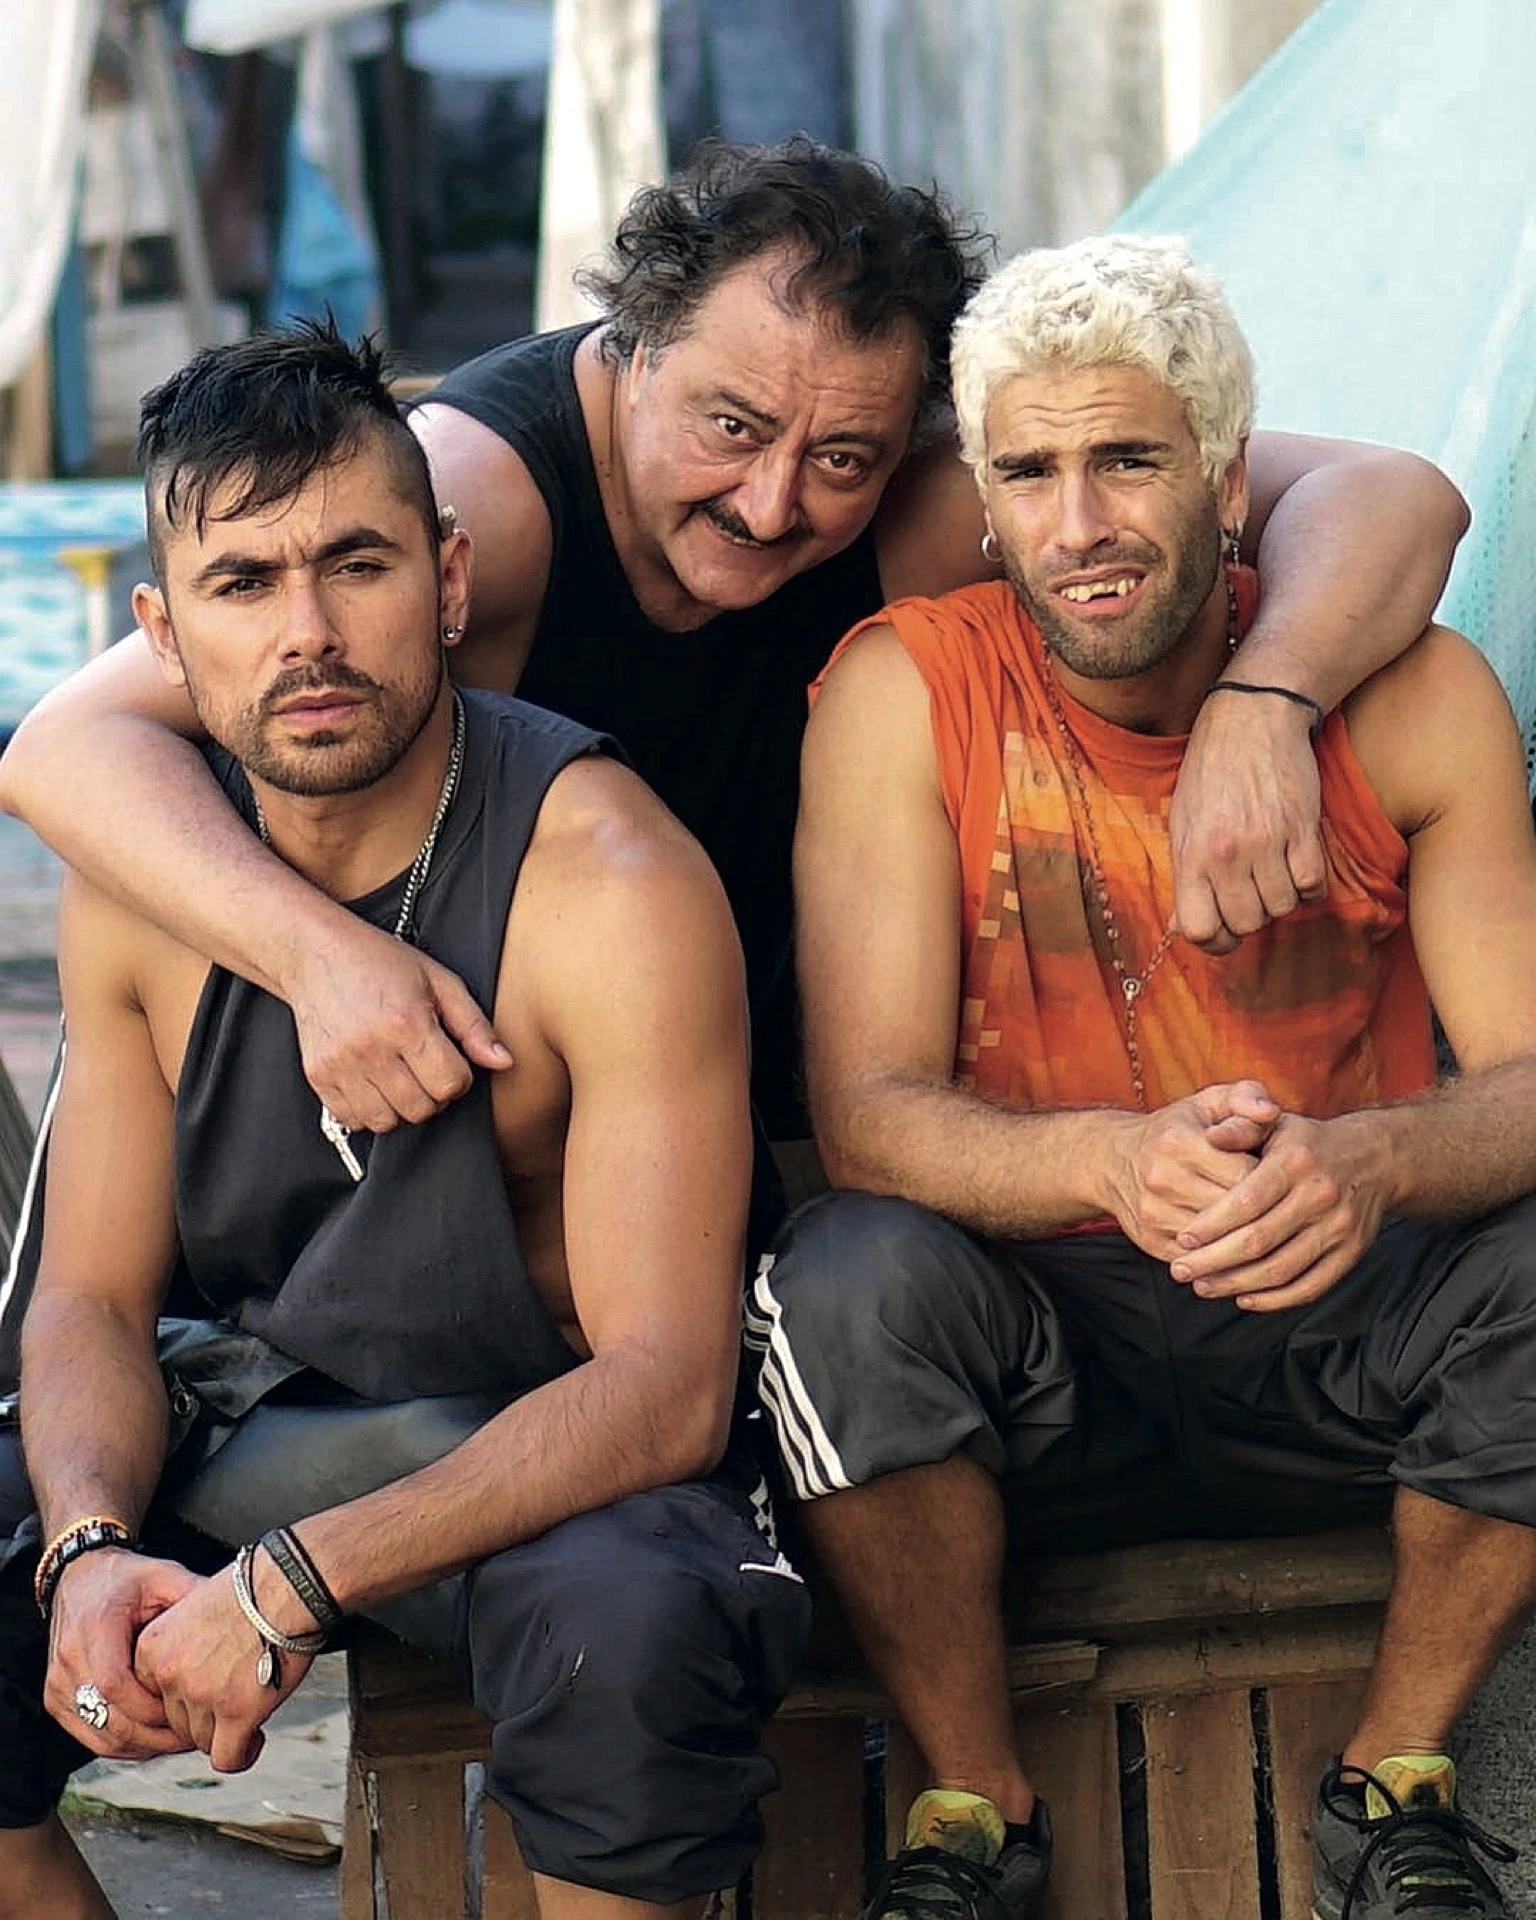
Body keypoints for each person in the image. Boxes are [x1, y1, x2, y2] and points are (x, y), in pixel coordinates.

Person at [0, 141, 1469, 1154]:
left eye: (840, 457)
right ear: (630, 348)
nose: (772, 503)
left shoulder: (922, 498)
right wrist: (321, 961)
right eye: (732, 426)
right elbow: (66, 745)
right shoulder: (479, 505)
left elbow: (1396, 497)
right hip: (435, 1101)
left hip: (760, 1110)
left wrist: (1264, 704)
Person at [752, 236, 1536, 1920]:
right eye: (1028, 474)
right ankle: (972, 1811)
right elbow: (868, 1115)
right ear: (984, 501)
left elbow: (1530, 1080)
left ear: (1229, 481)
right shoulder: (906, 689)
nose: (1079, 524)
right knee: (837, 1280)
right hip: (1047, 1354)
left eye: (1127, 460)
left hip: (1340, 1320)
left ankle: (1396, 1785)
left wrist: (1369, 1164)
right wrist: (1113, 1160)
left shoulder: (1413, 698)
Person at [0, 324, 809, 1920]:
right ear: (163, 633)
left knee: (635, 1630)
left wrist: (292, 1584)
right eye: (243, 584)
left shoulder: (609, 880)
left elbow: (663, 1393)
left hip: (531, 1463)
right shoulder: (142, 886)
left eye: (355, 565)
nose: (307, 633)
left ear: (447, 581)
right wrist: (87, 1548)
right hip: (254, 1422)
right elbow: (88, 1297)